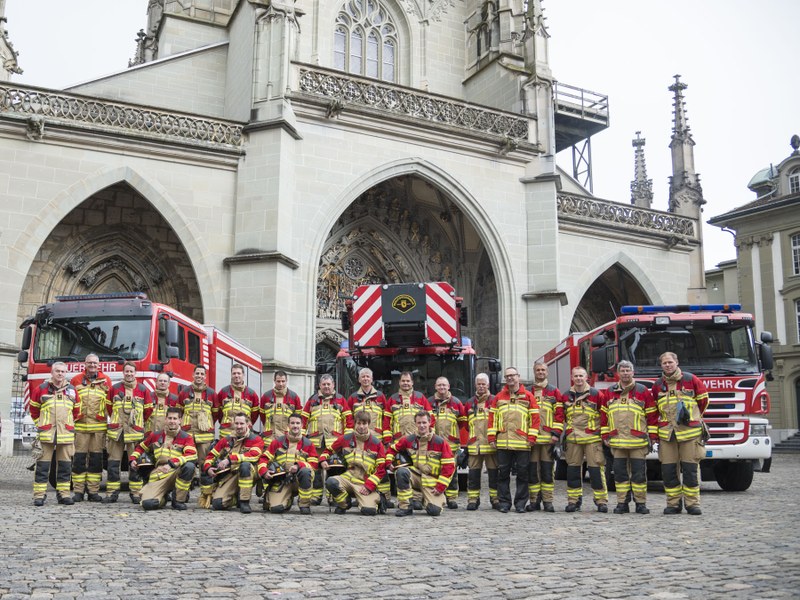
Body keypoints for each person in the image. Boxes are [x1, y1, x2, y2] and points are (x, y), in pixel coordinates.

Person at [651, 352, 709, 515]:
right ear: (661, 365)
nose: (667, 365)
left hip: (689, 433)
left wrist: (694, 418)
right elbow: (654, 410)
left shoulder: (691, 380)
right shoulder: (657, 385)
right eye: (664, 363)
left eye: (670, 362)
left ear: (677, 362)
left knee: (690, 469)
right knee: (669, 471)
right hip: (667, 434)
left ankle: (692, 504)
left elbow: (703, 401)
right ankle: (673, 504)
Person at [602, 360, 658, 515]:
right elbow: (603, 416)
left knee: (639, 475)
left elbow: (652, 415)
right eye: (623, 371)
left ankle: (640, 503)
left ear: (633, 373)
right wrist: (605, 435)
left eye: (628, 370)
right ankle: (622, 503)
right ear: (618, 373)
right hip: (617, 442)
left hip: (638, 442)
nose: (625, 373)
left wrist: (653, 436)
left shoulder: (642, 391)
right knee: (620, 475)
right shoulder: (610, 391)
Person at [488, 367, 540, 513]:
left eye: (513, 375)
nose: (510, 378)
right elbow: (492, 419)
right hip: (503, 442)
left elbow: (535, 419)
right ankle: (504, 503)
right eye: (507, 376)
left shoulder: (528, 396)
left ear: (518, 376)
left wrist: (532, 437)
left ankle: (520, 504)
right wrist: (492, 437)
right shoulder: (498, 397)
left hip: (523, 442)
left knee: (523, 474)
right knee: (503, 474)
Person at [387, 410, 455, 517]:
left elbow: (449, 467)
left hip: (432, 482)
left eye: (424, 422)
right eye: (419, 423)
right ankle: (405, 507)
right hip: (416, 476)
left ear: (430, 423)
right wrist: (389, 462)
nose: (422, 425)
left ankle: (427, 500)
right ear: (415, 424)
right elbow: (392, 449)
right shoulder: (409, 440)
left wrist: (440, 487)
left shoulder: (440, 442)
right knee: (401, 472)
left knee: (434, 511)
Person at [29, 362, 80, 506]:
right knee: (42, 467)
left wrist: (68, 425)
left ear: (66, 373)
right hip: (47, 435)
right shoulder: (41, 389)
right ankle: (39, 495)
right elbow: (34, 410)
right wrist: (42, 424)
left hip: (66, 434)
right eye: (57, 371)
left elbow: (77, 412)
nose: (60, 374)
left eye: (63, 371)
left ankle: (64, 495)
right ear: (52, 373)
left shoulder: (72, 390)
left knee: (65, 467)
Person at [321, 410, 387, 516]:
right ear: (355, 423)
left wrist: (369, 486)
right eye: (359, 423)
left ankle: (379, 498)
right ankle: (344, 504)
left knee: (368, 511)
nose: (361, 426)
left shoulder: (377, 444)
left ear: (369, 424)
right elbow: (328, 450)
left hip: (364, 483)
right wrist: (323, 459)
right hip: (347, 478)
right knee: (331, 482)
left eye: (364, 423)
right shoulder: (345, 439)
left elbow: (381, 469)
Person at [130, 406, 197, 511]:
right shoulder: (155, 435)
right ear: (165, 419)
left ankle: (178, 500)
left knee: (189, 466)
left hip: (175, 471)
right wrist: (133, 459)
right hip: (159, 475)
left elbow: (191, 455)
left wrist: (171, 464)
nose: (172, 421)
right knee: (148, 504)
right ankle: (163, 497)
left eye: (175, 419)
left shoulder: (186, 437)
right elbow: (140, 448)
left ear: (180, 420)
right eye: (170, 418)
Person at [105, 362, 152, 504]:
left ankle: (136, 493)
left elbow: (148, 410)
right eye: (127, 371)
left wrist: (137, 423)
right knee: (113, 463)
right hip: (117, 432)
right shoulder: (114, 388)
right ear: (123, 373)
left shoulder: (143, 389)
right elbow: (109, 407)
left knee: (135, 463)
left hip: (134, 433)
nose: (129, 374)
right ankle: (112, 493)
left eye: (131, 372)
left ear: (135, 373)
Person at [562, 366, 608, 513]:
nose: (579, 379)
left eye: (581, 376)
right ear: (572, 377)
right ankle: (573, 501)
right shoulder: (566, 396)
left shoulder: (596, 394)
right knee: (573, 471)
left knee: (596, 470)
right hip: (573, 438)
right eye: (576, 376)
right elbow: (561, 416)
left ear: (586, 377)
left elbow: (604, 415)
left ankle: (601, 501)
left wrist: (603, 434)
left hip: (592, 438)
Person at [345, 368, 392, 505]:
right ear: (359, 380)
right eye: (363, 377)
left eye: (368, 377)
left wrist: (386, 437)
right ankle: (359, 494)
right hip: (358, 439)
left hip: (376, 438)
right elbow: (348, 418)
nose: (365, 379)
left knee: (380, 467)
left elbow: (386, 418)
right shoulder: (353, 397)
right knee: (360, 467)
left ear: (372, 379)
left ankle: (385, 497)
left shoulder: (381, 396)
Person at [257, 413, 318, 514]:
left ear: (302, 425)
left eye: (298, 423)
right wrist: (264, 471)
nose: (295, 425)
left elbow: (314, 464)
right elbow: (264, 458)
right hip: (283, 480)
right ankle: (285, 500)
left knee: (306, 472)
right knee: (276, 509)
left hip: (299, 479)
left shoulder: (308, 444)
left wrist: (299, 465)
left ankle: (304, 505)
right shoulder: (277, 442)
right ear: (288, 425)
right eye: (292, 423)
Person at [70, 353, 111, 502]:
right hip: (80, 427)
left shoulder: (106, 380)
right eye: (90, 363)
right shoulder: (76, 380)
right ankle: (78, 492)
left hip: (98, 429)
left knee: (96, 461)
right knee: (79, 460)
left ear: (99, 365)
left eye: (95, 363)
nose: (92, 365)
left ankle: (93, 491)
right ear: (85, 364)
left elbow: (110, 404)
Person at [204, 412, 264, 513]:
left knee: (245, 466)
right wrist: (208, 467)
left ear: (248, 424)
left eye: (241, 424)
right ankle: (235, 498)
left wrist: (229, 459)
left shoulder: (256, 439)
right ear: (233, 424)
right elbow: (211, 455)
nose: (239, 426)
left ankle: (244, 502)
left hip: (250, 472)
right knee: (218, 504)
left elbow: (253, 455)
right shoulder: (226, 440)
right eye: (236, 423)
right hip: (231, 474)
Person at [302, 374, 349, 505]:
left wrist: (346, 440)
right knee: (316, 469)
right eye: (324, 384)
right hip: (316, 442)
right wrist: (301, 439)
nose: (326, 387)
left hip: (334, 442)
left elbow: (348, 421)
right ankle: (316, 497)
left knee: (333, 468)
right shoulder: (312, 400)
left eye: (329, 384)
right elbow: (303, 420)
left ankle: (333, 497)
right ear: (319, 386)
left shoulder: (341, 400)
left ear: (333, 385)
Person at [177, 365, 219, 508]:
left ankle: (205, 495)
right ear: (193, 375)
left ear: (205, 376)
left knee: (204, 465)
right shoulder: (184, 392)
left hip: (205, 437)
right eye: (197, 373)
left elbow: (216, 413)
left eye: (202, 374)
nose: (199, 376)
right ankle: (184, 493)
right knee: (186, 464)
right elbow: (180, 412)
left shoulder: (212, 393)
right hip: (187, 436)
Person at [527, 361, 564, 513]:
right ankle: (534, 501)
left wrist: (556, 434)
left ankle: (548, 501)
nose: (540, 372)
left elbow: (560, 415)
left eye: (543, 370)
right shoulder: (527, 392)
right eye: (538, 370)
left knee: (548, 472)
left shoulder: (554, 392)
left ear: (547, 372)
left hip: (548, 439)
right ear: (534, 372)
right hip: (532, 440)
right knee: (533, 472)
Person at [429, 376, 466, 509]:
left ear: (449, 386)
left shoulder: (456, 402)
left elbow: (462, 422)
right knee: (434, 470)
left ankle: (451, 498)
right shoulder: (430, 402)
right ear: (435, 387)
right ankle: (437, 496)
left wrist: (452, 435)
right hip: (434, 445)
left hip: (451, 445)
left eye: (444, 385)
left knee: (451, 472)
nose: (442, 388)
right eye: (439, 385)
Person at [463, 373, 498, 510]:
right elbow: (466, 424)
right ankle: (473, 500)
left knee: (494, 473)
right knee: (473, 474)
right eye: (479, 384)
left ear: (488, 385)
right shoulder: (470, 403)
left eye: (484, 384)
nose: (481, 386)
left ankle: (495, 499)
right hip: (475, 445)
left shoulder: (495, 400)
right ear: (475, 385)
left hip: (490, 444)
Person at [384, 371, 433, 442]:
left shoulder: (420, 397)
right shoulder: (392, 399)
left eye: (408, 381)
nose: (405, 383)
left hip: (418, 440)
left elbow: (431, 418)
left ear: (412, 382)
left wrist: (429, 435)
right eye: (403, 381)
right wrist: (388, 441)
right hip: (398, 441)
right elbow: (386, 422)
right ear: (399, 382)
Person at [216, 364, 260, 438]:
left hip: (244, 434)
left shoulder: (252, 394)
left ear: (243, 375)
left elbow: (254, 415)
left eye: (239, 373)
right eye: (234, 373)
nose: (236, 375)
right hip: (226, 434)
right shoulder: (223, 392)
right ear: (231, 375)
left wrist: (245, 423)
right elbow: (218, 413)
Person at [260, 370, 302, 442]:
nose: (281, 384)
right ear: (274, 381)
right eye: (278, 381)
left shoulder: (294, 397)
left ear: (286, 381)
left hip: (287, 437)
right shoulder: (266, 396)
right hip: (269, 438)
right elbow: (262, 416)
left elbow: (298, 418)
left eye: (283, 381)